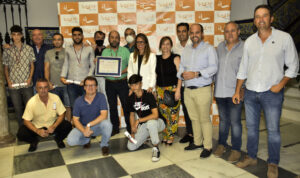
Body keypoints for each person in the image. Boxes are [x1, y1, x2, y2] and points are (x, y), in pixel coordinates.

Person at [232, 5, 299, 177]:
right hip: (251, 92)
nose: (260, 19)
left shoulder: (284, 38)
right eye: (257, 17)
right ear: (254, 21)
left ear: (271, 19)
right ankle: (252, 157)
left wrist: (282, 83)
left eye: (264, 16)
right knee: (252, 128)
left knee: (273, 130)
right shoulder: (249, 42)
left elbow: (293, 66)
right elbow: (243, 68)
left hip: (272, 93)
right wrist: (238, 90)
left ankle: (273, 162)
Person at [177, 24, 218, 158]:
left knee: (204, 119)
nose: (194, 35)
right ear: (190, 34)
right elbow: (182, 66)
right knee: (194, 118)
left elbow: (214, 68)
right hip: (188, 90)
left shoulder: (209, 49)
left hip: (203, 89)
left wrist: (197, 74)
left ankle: (207, 146)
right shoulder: (187, 50)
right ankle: (197, 142)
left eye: (197, 32)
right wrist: (181, 74)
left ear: (202, 33)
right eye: (192, 33)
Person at [213, 22, 244, 163]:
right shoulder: (220, 47)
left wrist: (242, 89)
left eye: (232, 31)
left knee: (235, 122)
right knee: (224, 121)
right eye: (226, 31)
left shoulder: (245, 48)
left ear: (238, 32)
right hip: (220, 91)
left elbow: (247, 71)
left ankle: (236, 149)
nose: (229, 34)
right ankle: (222, 145)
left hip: (235, 93)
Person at [17, 78, 72, 152]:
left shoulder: (55, 98)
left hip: (52, 124)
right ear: (36, 89)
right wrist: (37, 131)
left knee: (67, 125)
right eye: (40, 88)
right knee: (21, 133)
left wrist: (54, 126)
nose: (43, 90)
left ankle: (58, 139)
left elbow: (62, 114)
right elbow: (26, 120)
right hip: (37, 126)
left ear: (48, 88)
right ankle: (34, 141)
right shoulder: (31, 102)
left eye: (45, 87)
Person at [67, 76, 112, 156]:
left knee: (107, 124)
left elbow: (104, 116)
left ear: (96, 87)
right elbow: (75, 120)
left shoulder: (101, 97)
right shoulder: (78, 101)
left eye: (93, 85)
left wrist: (89, 125)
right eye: (88, 85)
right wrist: (84, 131)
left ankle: (104, 145)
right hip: (83, 127)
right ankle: (86, 140)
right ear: (84, 87)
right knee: (70, 141)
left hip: (97, 126)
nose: (90, 87)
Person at [127, 74, 165, 162]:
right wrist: (132, 131)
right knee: (131, 146)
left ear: (141, 84)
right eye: (132, 85)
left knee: (151, 123)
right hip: (144, 124)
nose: (134, 87)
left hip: (158, 122)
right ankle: (147, 135)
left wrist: (139, 120)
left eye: (136, 84)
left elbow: (155, 115)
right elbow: (132, 115)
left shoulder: (148, 95)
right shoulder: (130, 98)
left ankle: (156, 148)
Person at [3, 25, 35, 127]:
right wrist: (8, 82)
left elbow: (32, 66)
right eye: (14, 35)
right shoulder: (7, 50)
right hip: (13, 84)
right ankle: (22, 128)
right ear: (12, 36)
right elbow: (6, 68)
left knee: (29, 107)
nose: (16, 37)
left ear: (21, 36)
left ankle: (31, 127)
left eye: (18, 35)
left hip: (27, 83)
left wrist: (30, 78)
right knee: (17, 108)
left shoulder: (29, 48)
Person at [101, 30, 131, 136]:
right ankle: (115, 128)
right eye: (112, 37)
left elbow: (131, 66)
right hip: (109, 83)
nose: (114, 39)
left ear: (120, 39)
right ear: (109, 39)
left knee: (126, 106)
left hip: (122, 82)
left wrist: (120, 72)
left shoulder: (125, 51)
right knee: (112, 106)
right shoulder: (105, 52)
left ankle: (129, 127)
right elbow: (103, 68)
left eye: (116, 37)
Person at [60, 27, 95, 108]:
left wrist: (87, 79)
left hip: (85, 84)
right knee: (74, 107)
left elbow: (93, 65)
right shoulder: (68, 49)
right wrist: (62, 76)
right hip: (71, 83)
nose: (77, 37)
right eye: (75, 35)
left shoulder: (89, 49)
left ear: (82, 36)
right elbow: (66, 64)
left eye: (79, 35)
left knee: (87, 106)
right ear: (72, 36)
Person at [156, 36, 181, 145]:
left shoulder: (175, 57)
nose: (165, 46)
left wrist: (178, 90)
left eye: (167, 44)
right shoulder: (157, 58)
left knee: (173, 115)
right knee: (164, 115)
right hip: (160, 90)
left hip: (173, 89)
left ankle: (170, 136)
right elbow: (155, 75)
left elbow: (180, 75)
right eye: (163, 44)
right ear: (160, 46)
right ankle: (166, 134)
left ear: (171, 46)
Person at [173, 22, 194, 144]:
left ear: (188, 32)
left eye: (184, 31)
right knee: (186, 110)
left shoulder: (195, 45)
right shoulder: (175, 48)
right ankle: (190, 133)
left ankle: (198, 135)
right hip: (182, 85)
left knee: (195, 111)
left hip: (195, 84)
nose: (181, 34)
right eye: (179, 31)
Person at [44, 33, 71, 122]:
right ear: (53, 41)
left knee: (68, 106)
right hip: (53, 85)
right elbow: (46, 68)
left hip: (66, 85)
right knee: (54, 107)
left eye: (59, 39)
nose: (57, 41)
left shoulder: (68, 51)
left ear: (62, 41)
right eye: (55, 39)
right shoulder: (48, 53)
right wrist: (48, 82)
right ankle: (57, 126)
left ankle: (69, 126)